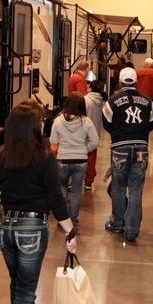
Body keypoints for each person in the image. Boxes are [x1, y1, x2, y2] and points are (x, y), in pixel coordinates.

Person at [0, 105, 77, 304]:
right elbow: (55, 198)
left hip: (3, 228)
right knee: (26, 290)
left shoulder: (0, 156)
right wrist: (70, 231)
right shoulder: (44, 157)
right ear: (35, 128)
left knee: (18, 282)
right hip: (31, 229)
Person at [101, 67, 153, 243]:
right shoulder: (147, 102)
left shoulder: (112, 101)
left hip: (120, 149)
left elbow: (107, 124)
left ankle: (117, 222)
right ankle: (132, 230)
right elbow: (151, 124)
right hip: (141, 148)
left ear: (120, 81)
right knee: (135, 190)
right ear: (136, 82)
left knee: (118, 187)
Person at [50, 92, 99, 225]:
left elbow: (53, 140)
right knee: (76, 192)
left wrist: (61, 148)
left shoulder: (58, 121)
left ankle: (63, 218)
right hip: (81, 161)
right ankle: (73, 218)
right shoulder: (86, 121)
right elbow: (95, 141)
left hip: (62, 160)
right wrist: (84, 149)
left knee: (62, 188)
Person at [84, 80, 106, 190]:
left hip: (83, 133)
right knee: (91, 159)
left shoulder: (85, 100)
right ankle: (88, 182)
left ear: (90, 88)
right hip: (95, 133)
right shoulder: (101, 101)